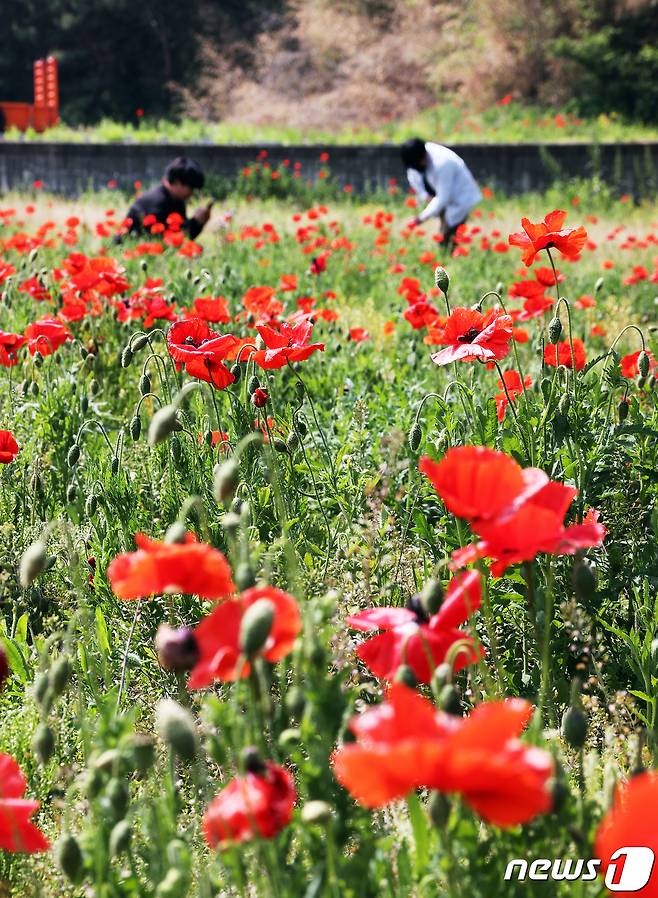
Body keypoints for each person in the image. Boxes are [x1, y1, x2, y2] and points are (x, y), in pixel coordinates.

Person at [401, 138, 481, 250]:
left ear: (423, 156)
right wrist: (425, 196)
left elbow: (443, 198)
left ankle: (449, 262)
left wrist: (420, 219)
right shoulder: (415, 158)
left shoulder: (443, 163)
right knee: (445, 234)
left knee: (447, 237)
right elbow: (413, 176)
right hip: (442, 196)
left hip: (460, 198)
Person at [123, 157, 212, 239]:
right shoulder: (157, 203)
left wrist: (198, 222)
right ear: (177, 182)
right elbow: (166, 240)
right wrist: (195, 223)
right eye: (191, 188)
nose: (192, 193)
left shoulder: (176, 200)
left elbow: (180, 239)